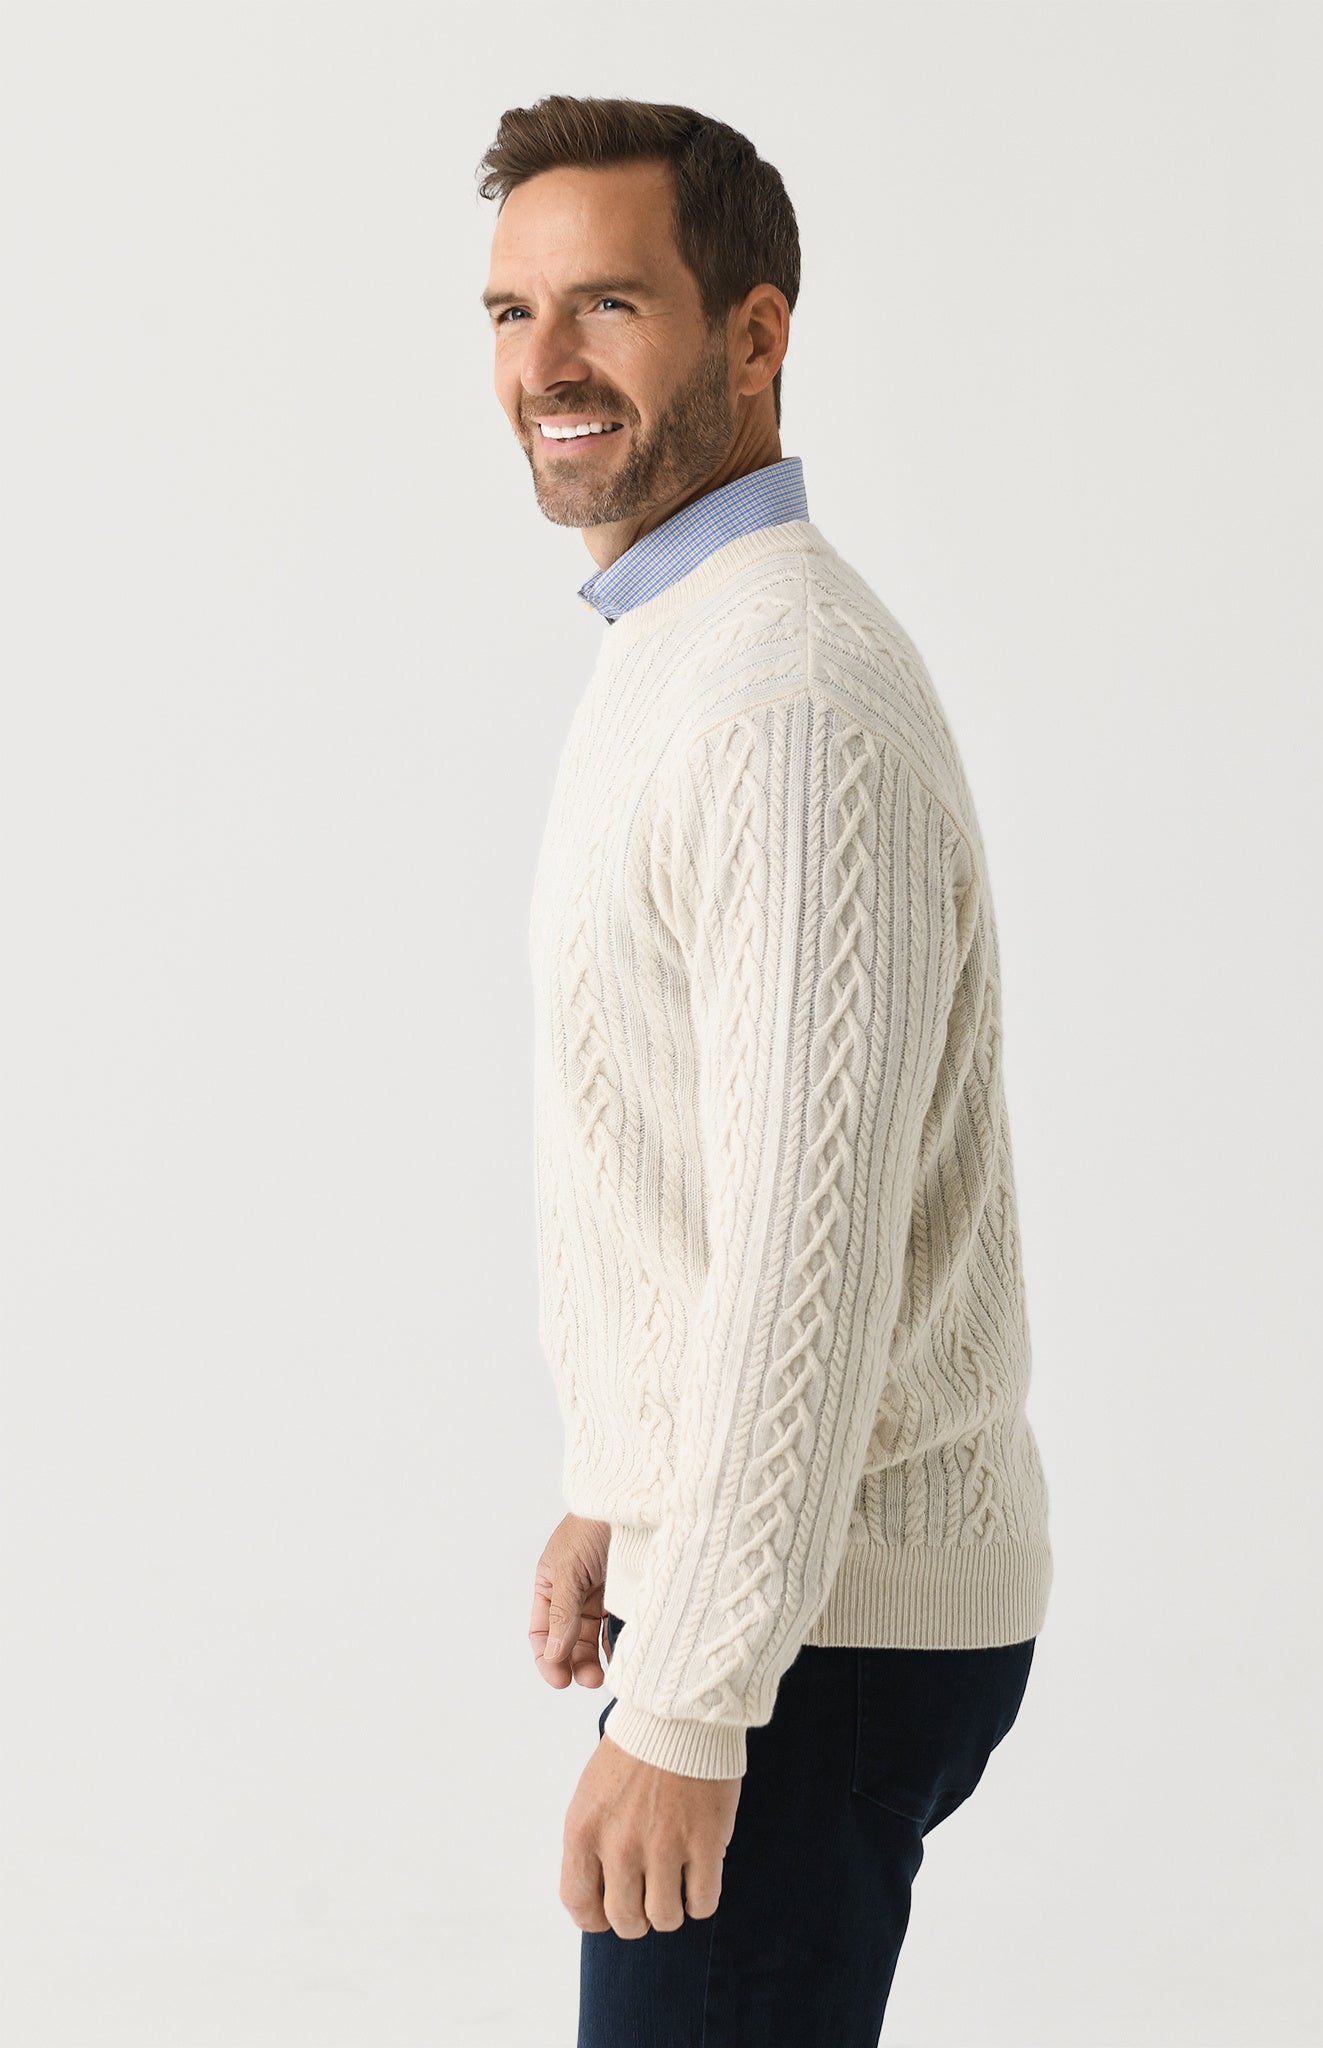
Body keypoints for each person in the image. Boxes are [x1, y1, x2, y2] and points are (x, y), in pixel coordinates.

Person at [478, 93, 1054, 2047]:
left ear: (754, 332)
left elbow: (808, 1267)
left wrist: (692, 1699)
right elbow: (706, 1174)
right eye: (511, 311)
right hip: (779, 1594)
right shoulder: (683, 643)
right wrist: (618, 1493)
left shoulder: (784, 702)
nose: (545, 364)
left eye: (608, 303)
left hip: (814, 1636)